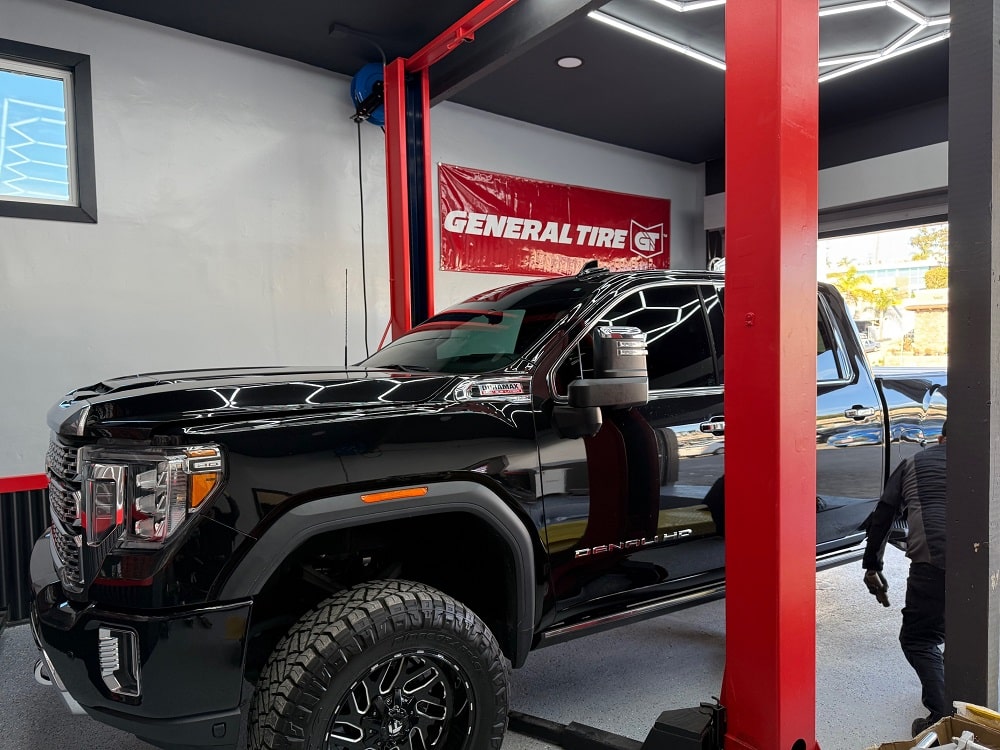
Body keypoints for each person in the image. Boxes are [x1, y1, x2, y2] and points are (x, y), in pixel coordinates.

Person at [862, 420, 948, 737]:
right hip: (987, 565)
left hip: (934, 563)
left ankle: (942, 714)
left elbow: (884, 515)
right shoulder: (991, 457)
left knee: (919, 639)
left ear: (940, 438)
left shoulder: (914, 462)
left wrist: (872, 565)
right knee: (970, 630)